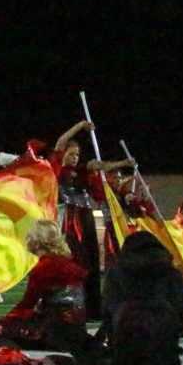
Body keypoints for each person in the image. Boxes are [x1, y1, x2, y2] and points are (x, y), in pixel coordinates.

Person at [49, 120, 133, 320]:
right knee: (78, 261)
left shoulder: (82, 172)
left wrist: (121, 164)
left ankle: (93, 308)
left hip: (86, 217)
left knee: (93, 262)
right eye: (71, 154)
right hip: (71, 219)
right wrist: (80, 126)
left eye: (77, 154)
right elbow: (61, 141)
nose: (74, 157)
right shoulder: (57, 171)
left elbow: (99, 166)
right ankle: (76, 307)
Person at [0, 220, 98, 365]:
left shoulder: (45, 267)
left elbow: (27, 304)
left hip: (56, 332)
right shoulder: (70, 264)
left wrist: (2, 322)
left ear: (37, 240)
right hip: (76, 329)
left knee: (1, 332)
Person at [102, 230, 183, 365]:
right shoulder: (172, 274)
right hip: (165, 363)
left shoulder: (116, 275)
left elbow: (107, 313)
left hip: (124, 362)